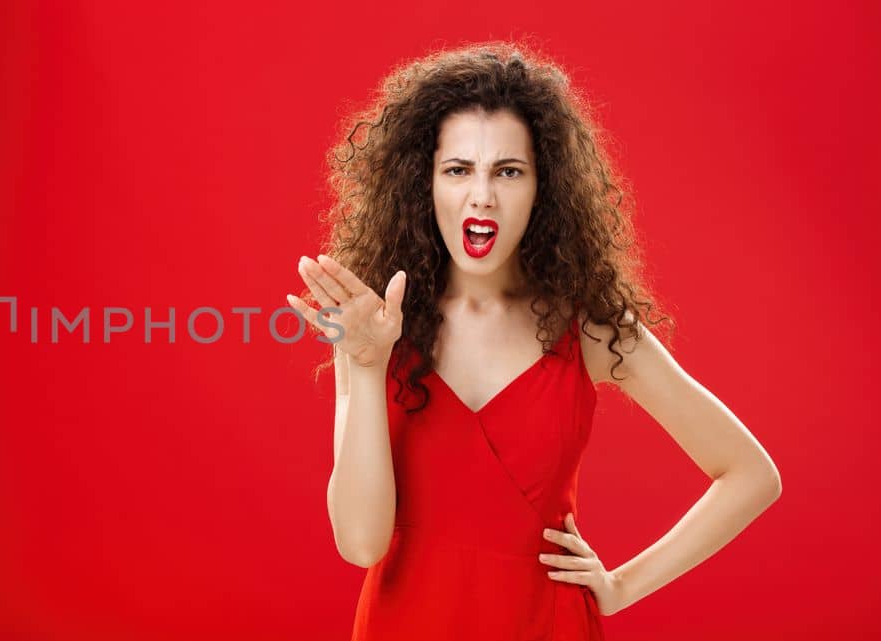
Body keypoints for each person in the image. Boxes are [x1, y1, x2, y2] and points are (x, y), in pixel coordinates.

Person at [284, 42, 782, 640]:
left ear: (543, 188)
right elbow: (362, 544)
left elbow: (751, 474)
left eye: (508, 171)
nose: (482, 195)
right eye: (458, 169)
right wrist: (366, 366)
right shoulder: (373, 328)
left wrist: (622, 587)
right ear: (425, 186)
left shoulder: (591, 328)